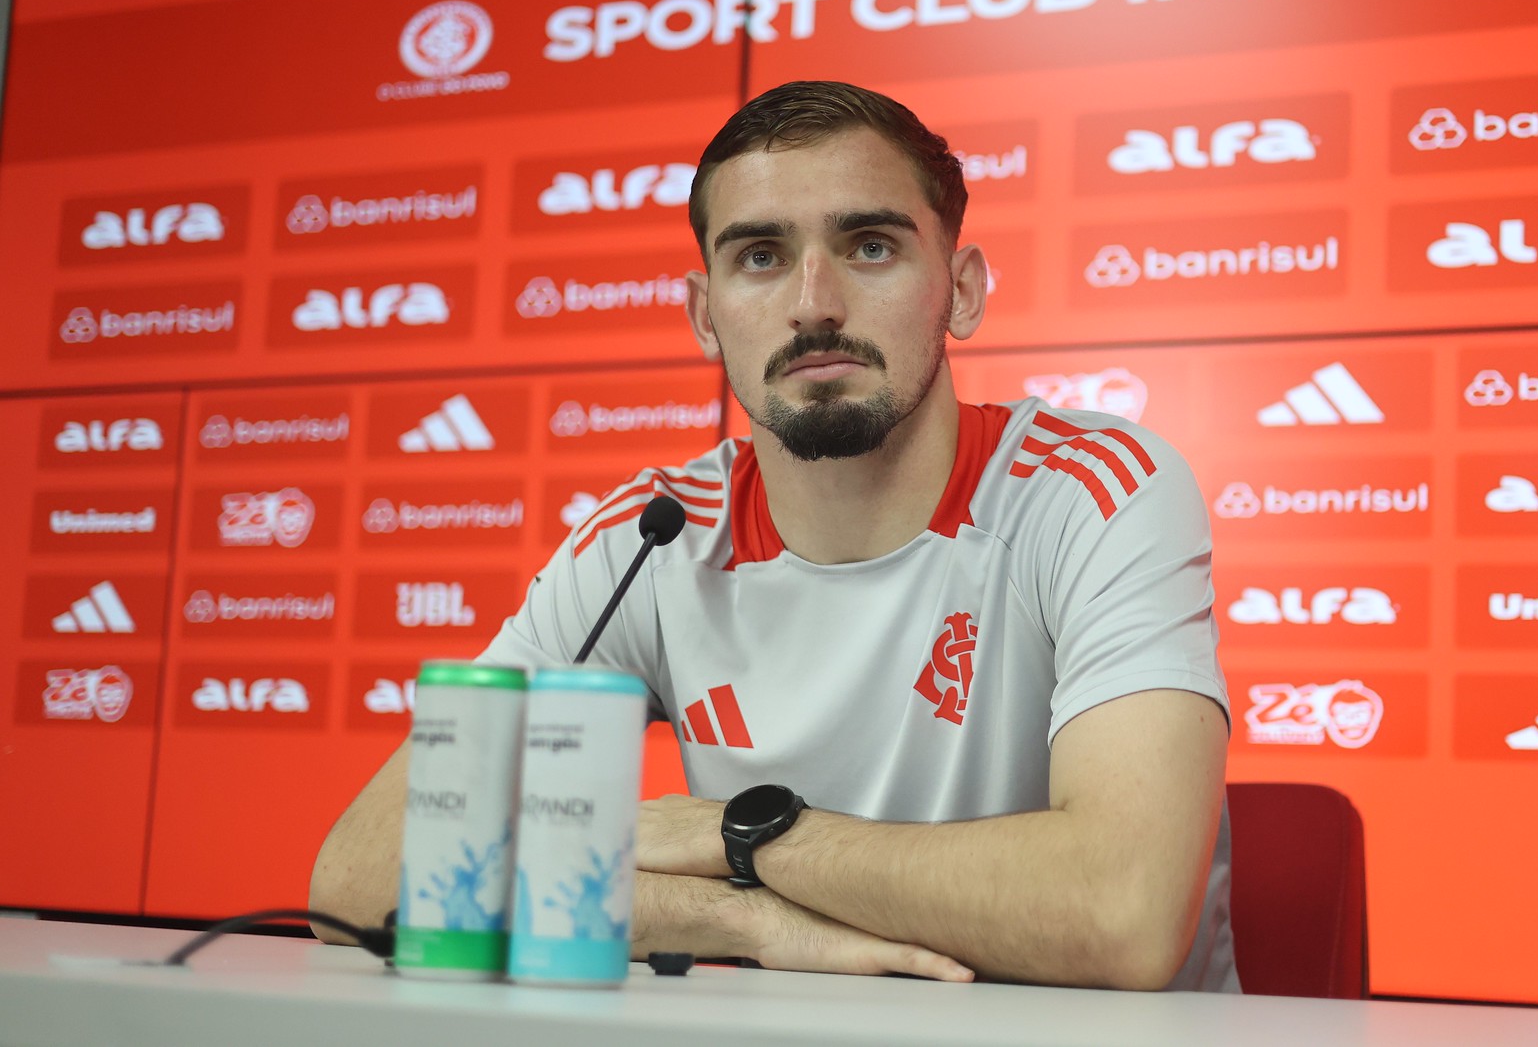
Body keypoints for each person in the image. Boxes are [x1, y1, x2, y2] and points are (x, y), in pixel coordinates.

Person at [310, 80, 1238, 991]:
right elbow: (363, 877)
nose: (813, 302)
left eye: (869, 245)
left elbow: (1125, 912)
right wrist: (738, 917)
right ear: (706, 315)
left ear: (960, 291)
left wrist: (740, 835)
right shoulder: (650, 537)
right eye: (759, 255)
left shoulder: (1094, 493)